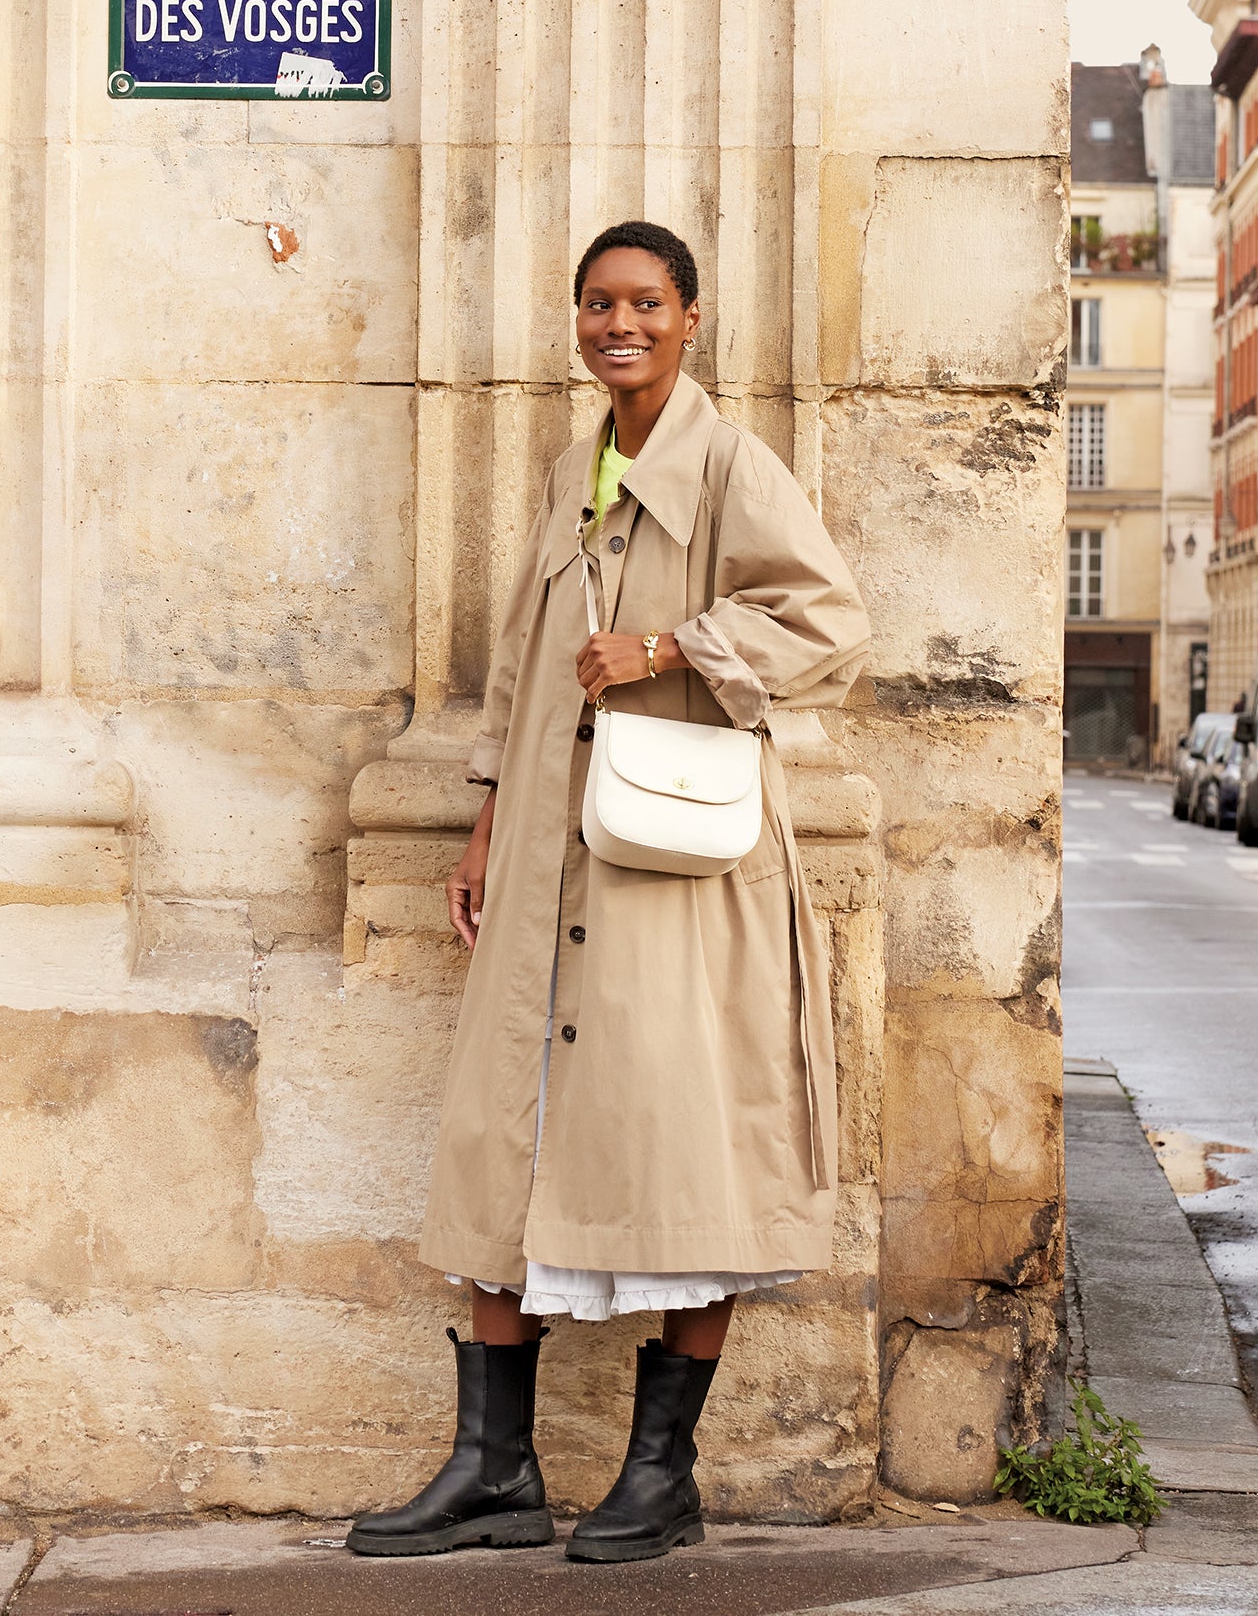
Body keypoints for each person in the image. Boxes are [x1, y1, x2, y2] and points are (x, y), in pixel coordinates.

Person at [348, 221, 870, 1564]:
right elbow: (524, 668)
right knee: (499, 1132)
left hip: (675, 872)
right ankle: (496, 1469)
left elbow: (830, 618)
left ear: (691, 318)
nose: (615, 324)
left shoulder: (733, 466)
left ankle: (661, 1476)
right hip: (544, 856)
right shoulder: (575, 466)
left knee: (688, 1144)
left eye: (642, 302)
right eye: (595, 303)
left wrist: (676, 643)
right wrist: (481, 825)